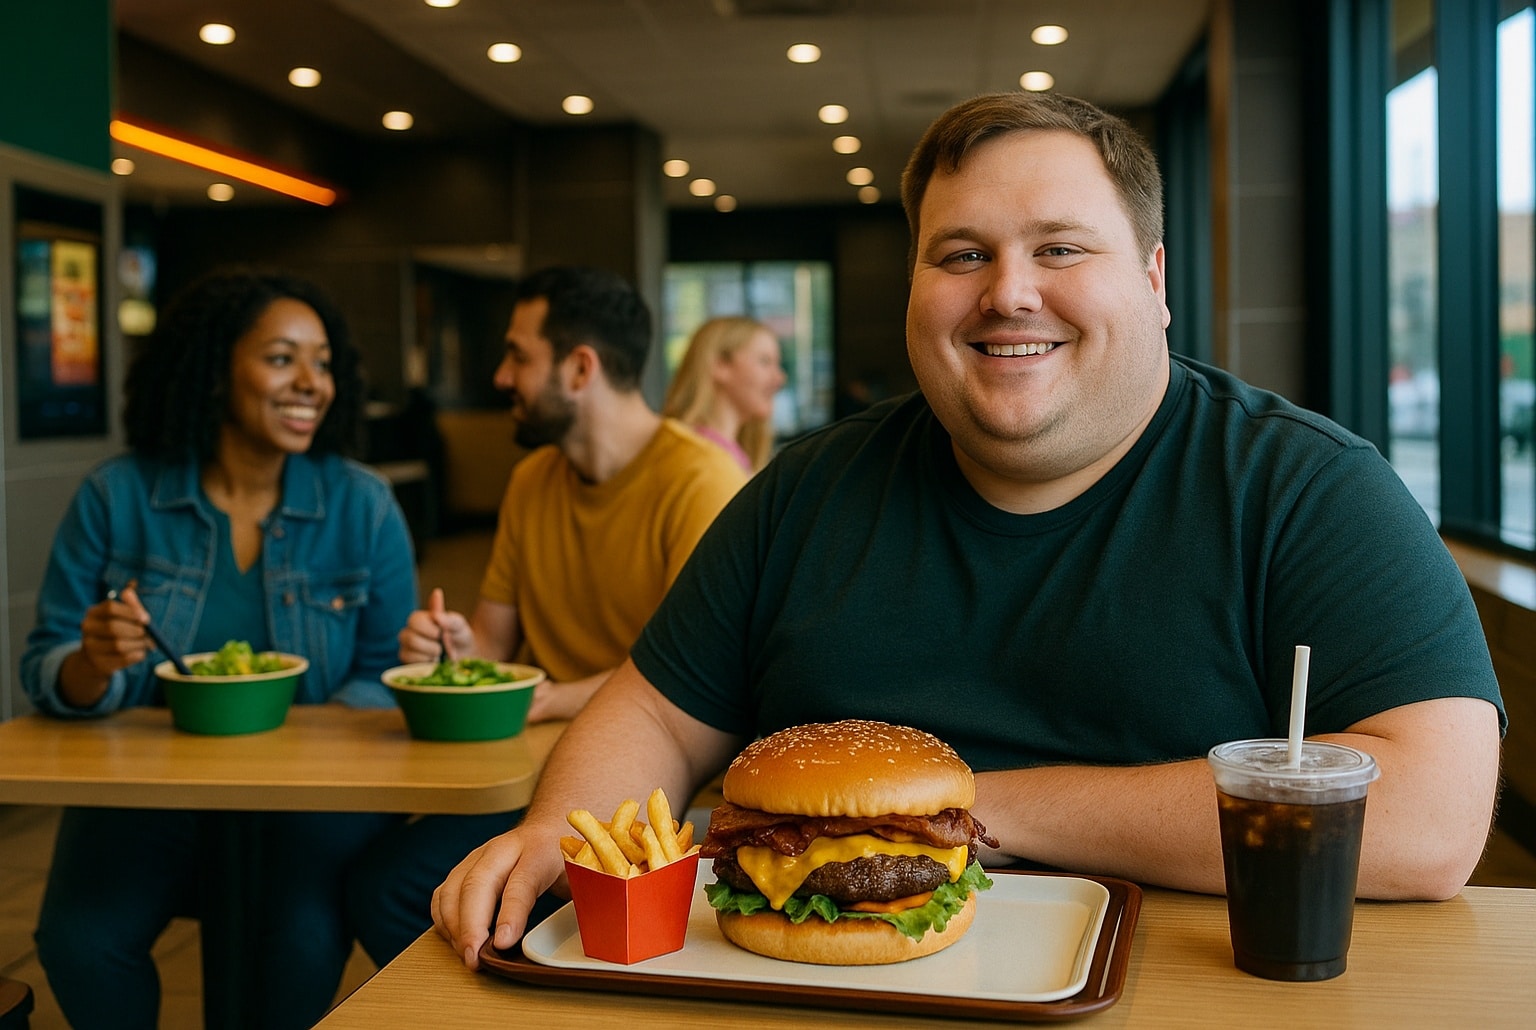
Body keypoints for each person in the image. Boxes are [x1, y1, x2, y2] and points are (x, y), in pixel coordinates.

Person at [429, 91, 1505, 968]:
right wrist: (558, 829)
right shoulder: (807, 489)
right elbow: (657, 714)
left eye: (1061, 248)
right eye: (961, 256)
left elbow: (1432, 821)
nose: (1009, 294)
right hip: (815, 992)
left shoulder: (1307, 488)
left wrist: (959, 814)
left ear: (1155, 279)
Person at [19, 269, 419, 1028]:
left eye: (324, 363)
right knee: (81, 941)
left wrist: (313, 738)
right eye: (281, 358)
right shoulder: (117, 497)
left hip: (312, 800)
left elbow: (382, 674)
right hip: (148, 791)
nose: (312, 383)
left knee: (298, 946)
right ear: (212, 369)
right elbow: (47, 667)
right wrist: (90, 663)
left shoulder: (361, 504)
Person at [344, 265, 746, 966]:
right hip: (537, 769)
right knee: (379, 877)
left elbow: (699, 678)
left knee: (398, 884)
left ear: (581, 367)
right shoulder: (532, 479)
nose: (501, 377)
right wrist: (452, 647)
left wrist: (552, 696)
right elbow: (492, 648)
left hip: (646, 795)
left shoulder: (700, 481)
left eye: (517, 356)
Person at [662, 315, 786, 473]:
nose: (779, 378)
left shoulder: (727, 455)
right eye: (764, 362)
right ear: (721, 364)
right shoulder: (703, 460)